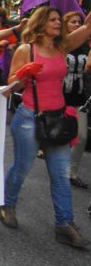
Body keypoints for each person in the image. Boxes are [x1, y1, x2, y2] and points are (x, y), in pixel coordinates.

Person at [2, 6, 91, 249]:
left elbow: (87, 28)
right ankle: (7, 204)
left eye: (57, 20)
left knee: (61, 175)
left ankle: (65, 224)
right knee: (22, 167)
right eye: (52, 19)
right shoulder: (25, 50)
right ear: (40, 23)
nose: (57, 22)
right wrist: (23, 74)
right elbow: (11, 85)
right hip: (30, 117)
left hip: (58, 119)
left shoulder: (62, 47)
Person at [61, 12, 90, 189]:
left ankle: (72, 173)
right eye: (73, 22)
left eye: (79, 22)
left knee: (82, 136)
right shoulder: (62, 44)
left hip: (80, 96)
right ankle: (59, 172)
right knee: (59, 135)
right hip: (60, 96)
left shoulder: (86, 46)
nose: (77, 24)